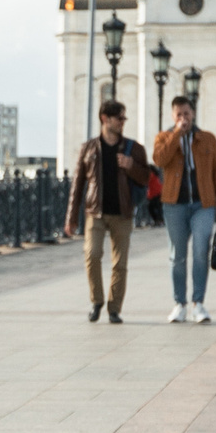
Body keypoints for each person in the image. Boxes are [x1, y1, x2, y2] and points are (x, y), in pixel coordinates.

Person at [66, 101, 150, 322]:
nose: (123, 122)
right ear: (105, 119)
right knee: (92, 255)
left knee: (120, 263)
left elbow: (147, 178)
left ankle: (114, 308)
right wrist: (71, 218)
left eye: (124, 118)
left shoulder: (135, 148)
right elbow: (77, 184)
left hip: (123, 213)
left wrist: (131, 166)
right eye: (119, 118)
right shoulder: (89, 148)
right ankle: (97, 300)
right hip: (96, 212)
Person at [152, 95, 216, 323]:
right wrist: (177, 134)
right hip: (174, 204)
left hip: (202, 204)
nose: (183, 118)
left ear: (193, 114)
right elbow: (159, 160)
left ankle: (198, 303)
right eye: (179, 115)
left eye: (186, 114)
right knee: (177, 256)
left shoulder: (207, 139)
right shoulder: (164, 137)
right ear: (173, 117)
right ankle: (179, 304)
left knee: (201, 250)